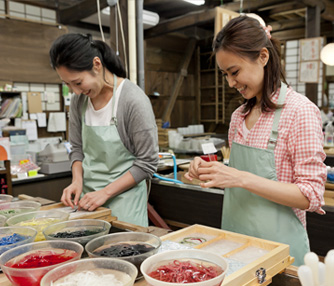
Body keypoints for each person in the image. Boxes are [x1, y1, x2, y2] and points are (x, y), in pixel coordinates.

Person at [185, 15, 326, 265]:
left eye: (235, 72)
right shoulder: (239, 117)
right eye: (225, 74)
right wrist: (210, 171)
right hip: (234, 245)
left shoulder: (299, 112)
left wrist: (239, 177)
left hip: (281, 255)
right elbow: (240, 183)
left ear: (263, 57)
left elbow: (311, 195)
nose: (230, 83)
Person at [49, 33, 159, 227]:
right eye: (68, 84)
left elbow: (147, 163)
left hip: (125, 203)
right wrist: (76, 181)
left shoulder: (133, 100)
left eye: (78, 82)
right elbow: (76, 148)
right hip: (88, 201)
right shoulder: (79, 101)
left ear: (96, 65)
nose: (75, 91)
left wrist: (105, 193)